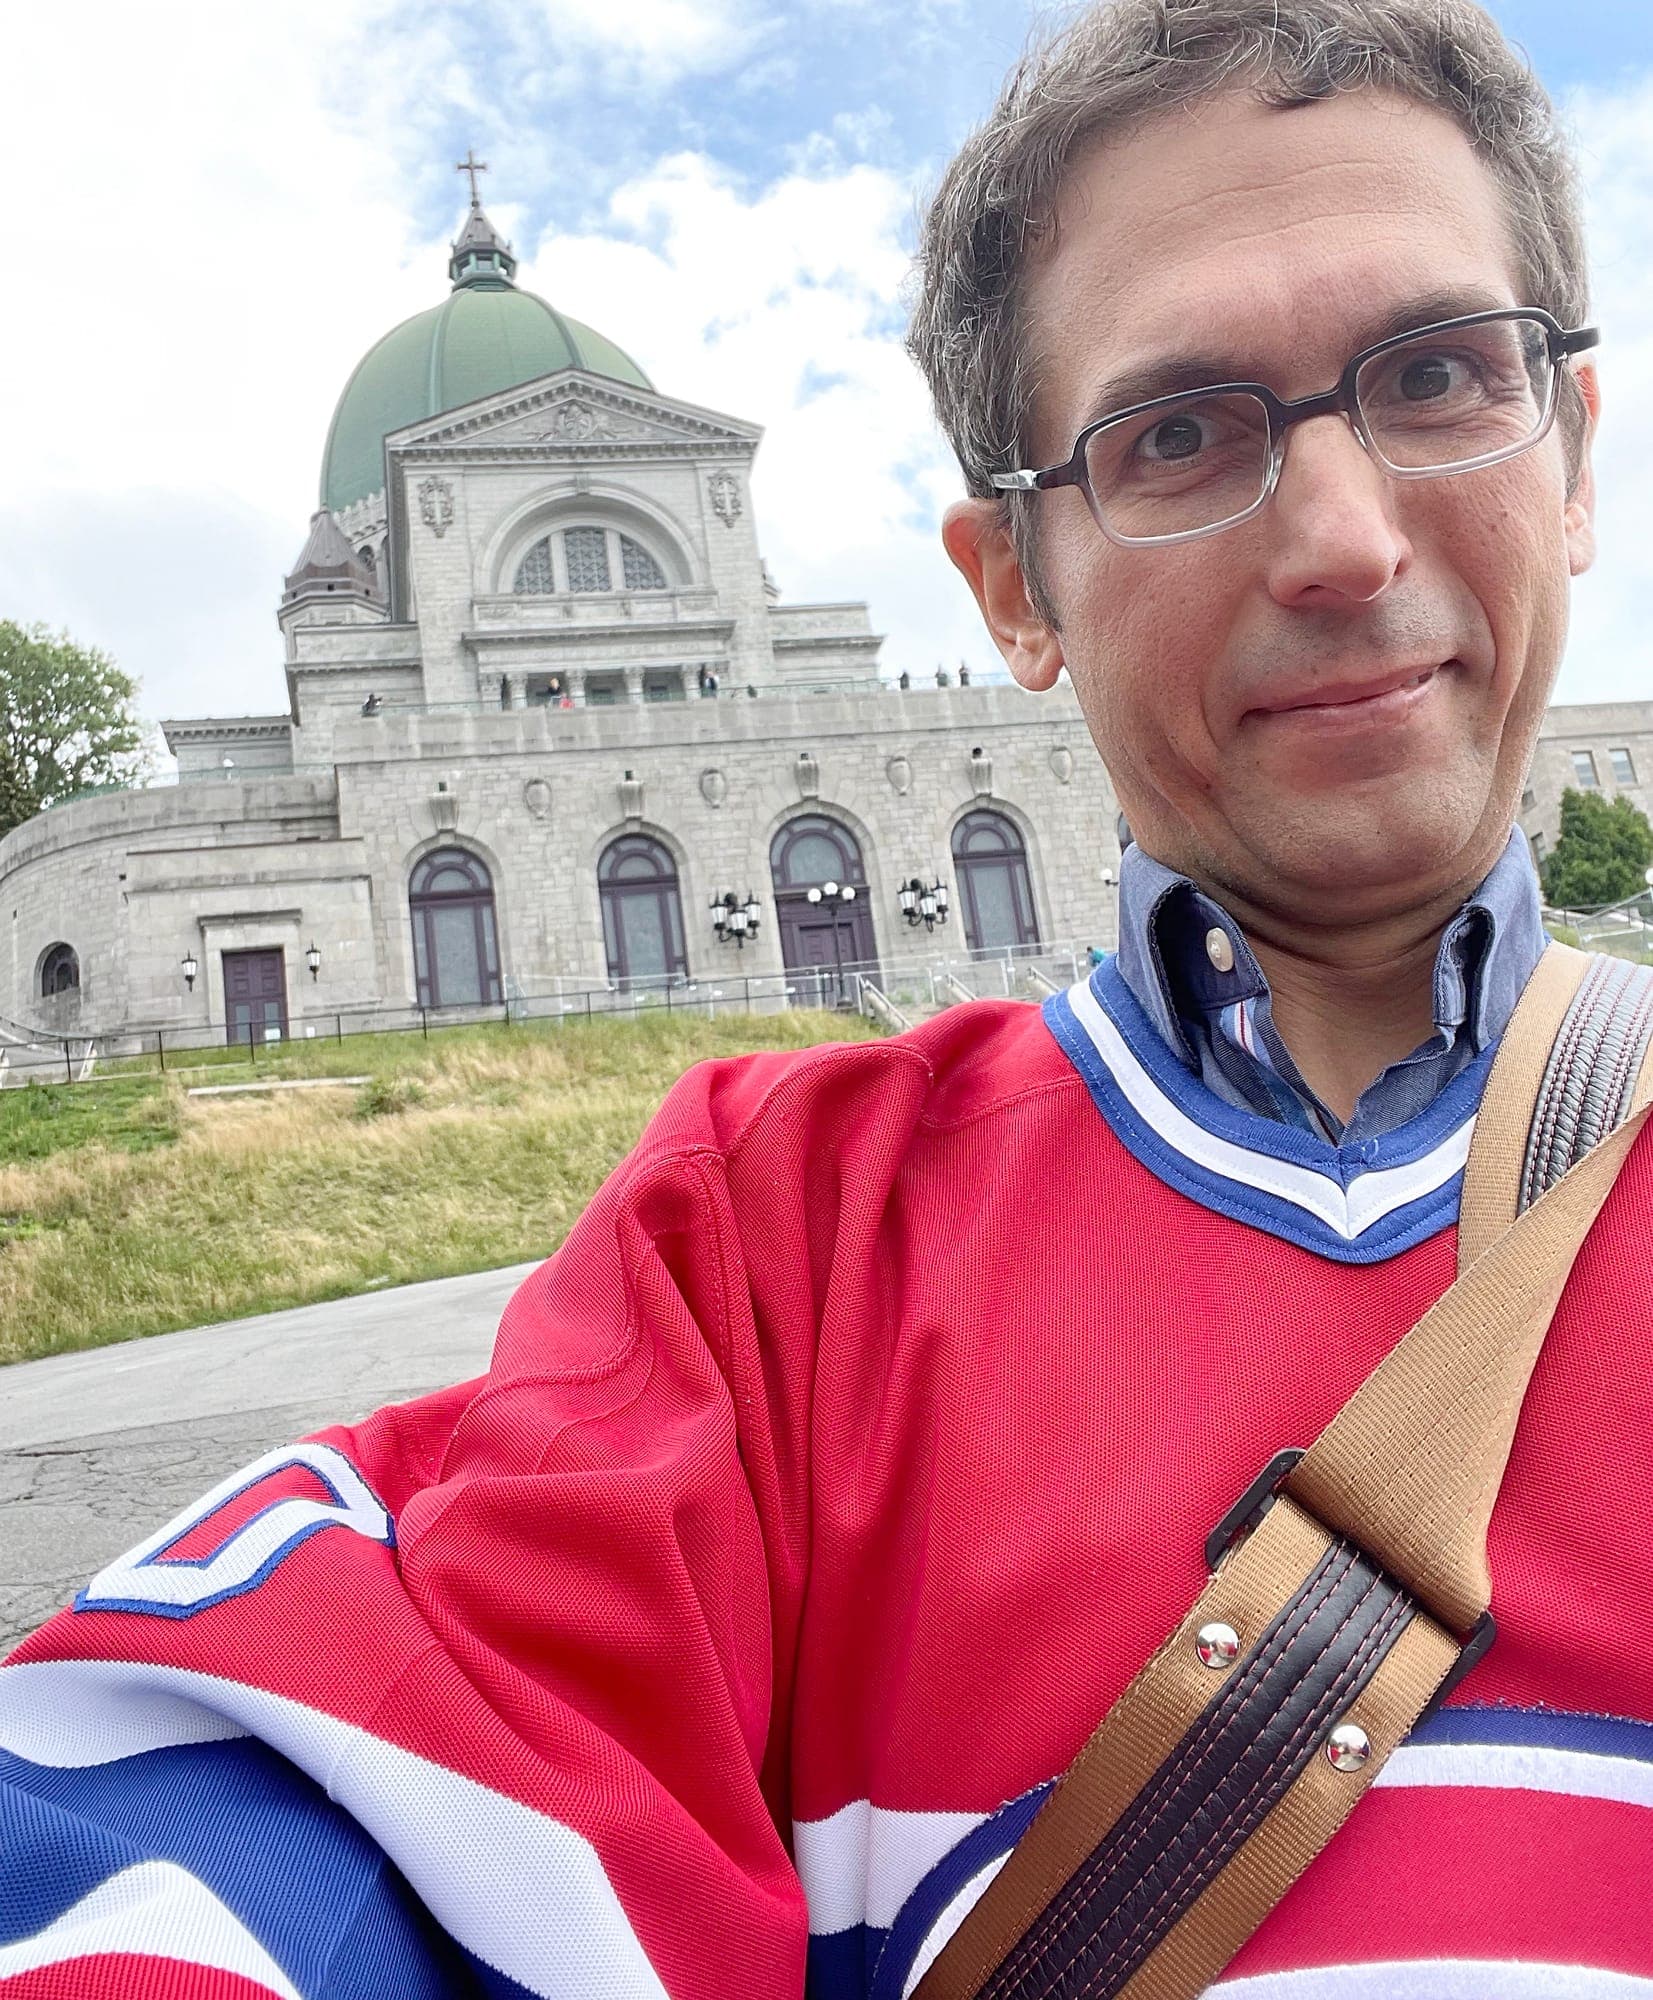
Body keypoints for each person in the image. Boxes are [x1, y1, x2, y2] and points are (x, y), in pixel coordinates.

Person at [3, 4, 1648, 1996]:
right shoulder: (756, 1252)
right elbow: (302, 1781)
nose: (1338, 535)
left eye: (1435, 374)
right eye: (1177, 433)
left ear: (1571, 455)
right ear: (1007, 587)